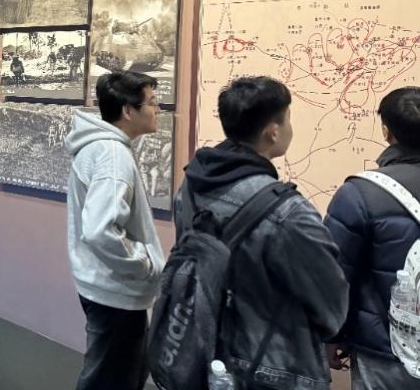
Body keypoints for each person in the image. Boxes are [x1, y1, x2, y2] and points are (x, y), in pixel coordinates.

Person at [176, 76, 348, 390]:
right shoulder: (289, 212)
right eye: (288, 119)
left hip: (201, 349)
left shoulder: (191, 184)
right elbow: (332, 309)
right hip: (274, 368)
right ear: (273, 131)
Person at [65, 71, 166, 390]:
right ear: (127, 111)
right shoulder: (112, 155)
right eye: (151, 102)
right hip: (115, 290)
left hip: (105, 284)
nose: (158, 109)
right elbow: (100, 230)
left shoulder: (101, 147)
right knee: (110, 381)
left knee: (121, 373)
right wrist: (143, 264)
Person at [325, 86, 420, 389]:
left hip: (385, 353)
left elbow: (335, 275)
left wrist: (332, 335)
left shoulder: (361, 193)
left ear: (386, 131)